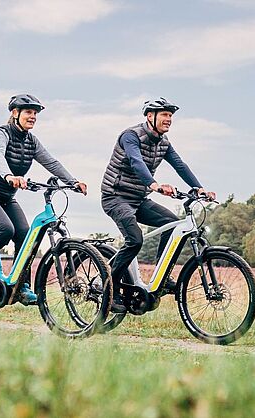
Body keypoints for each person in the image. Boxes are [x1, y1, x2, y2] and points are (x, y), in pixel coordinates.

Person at [0, 93, 87, 305]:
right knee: (4, 230)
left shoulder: (31, 141)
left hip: (6, 198)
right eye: (29, 112)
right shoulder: (1, 134)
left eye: (35, 113)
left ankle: (20, 286)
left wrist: (72, 181)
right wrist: (9, 175)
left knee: (25, 235)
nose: (33, 116)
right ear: (15, 113)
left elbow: (51, 162)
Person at [101, 97, 215, 313]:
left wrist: (199, 188)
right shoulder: (131, 136)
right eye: (164, 114)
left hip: (138, 199)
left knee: (174, 225)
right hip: (116, 196)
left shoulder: (164, 143)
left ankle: (162, 274)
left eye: (171, 116)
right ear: (150, 116)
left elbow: (180, 165)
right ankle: (110, 287)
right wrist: (154, 184)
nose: (169, 119)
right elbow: (136, 161)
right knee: (135, 240)